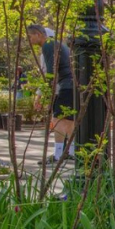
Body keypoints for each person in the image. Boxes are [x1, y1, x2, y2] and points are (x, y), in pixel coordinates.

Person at [27, 24, 75, 163]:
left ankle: (58, 154)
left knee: (58, 119)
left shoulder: (47, 45)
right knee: (69, 120)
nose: (30, 40)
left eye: (30, 37)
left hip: (64, 85)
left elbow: (50, 73)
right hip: (71, 85)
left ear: (39, 34)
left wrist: (43, 96)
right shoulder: (57, 44)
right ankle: (71, 152)